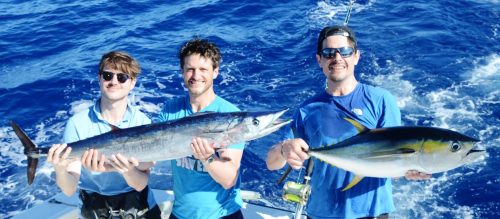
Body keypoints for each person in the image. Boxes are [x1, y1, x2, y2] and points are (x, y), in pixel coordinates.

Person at [266, 25, 431, 219]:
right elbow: (272, 163)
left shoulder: (380, 100)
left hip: (372, 213)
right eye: (328, 53)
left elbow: (392, 163)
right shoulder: (307, 109)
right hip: (321, 213)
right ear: (319, 60)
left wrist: (407, 169)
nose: (337, 58)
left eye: (345, 51)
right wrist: (284, 148)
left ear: (356, 56)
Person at [46, 51, 161, 219]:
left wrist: (126, 170)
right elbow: (69, 189)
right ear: (99, 78)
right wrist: (60, 169)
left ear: (132, 83)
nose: (114, 82)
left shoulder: (142, 122)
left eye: (122, 77)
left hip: (140, 209)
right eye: (108, 75)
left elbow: (140, 184)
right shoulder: (77, 123)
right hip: (94, 211)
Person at [158, 38, 244, 219]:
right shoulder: (169, 110)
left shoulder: (230, 116)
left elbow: (229, 179)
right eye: (190, 69)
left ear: (215, 72)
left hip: (223, 215)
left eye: (203, 69)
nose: (196, 75)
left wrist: (207, 158)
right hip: (180, 214)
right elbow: (149, 155)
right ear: (182, 72)